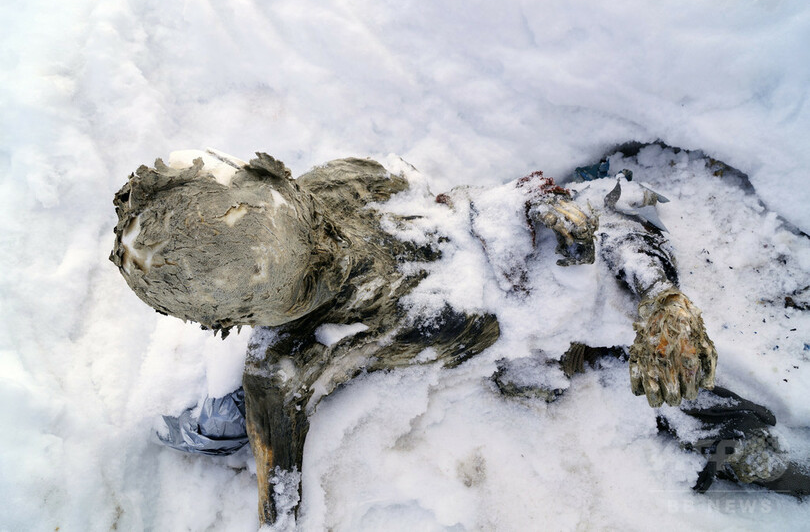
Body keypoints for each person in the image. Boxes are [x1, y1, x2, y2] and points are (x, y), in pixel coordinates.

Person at [110, 146, 806, 526]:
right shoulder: (290, 366)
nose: (333, 252)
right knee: (708, 409)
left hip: (540, 267)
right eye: (301, 276)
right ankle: (738, 440)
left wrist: (659, 297)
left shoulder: (346, 182)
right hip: (530, 351)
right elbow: (280, 506)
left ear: (280, 181)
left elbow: (468, 202)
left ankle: (679, 310)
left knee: (626, 208)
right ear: (242, 317)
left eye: (309, 228)